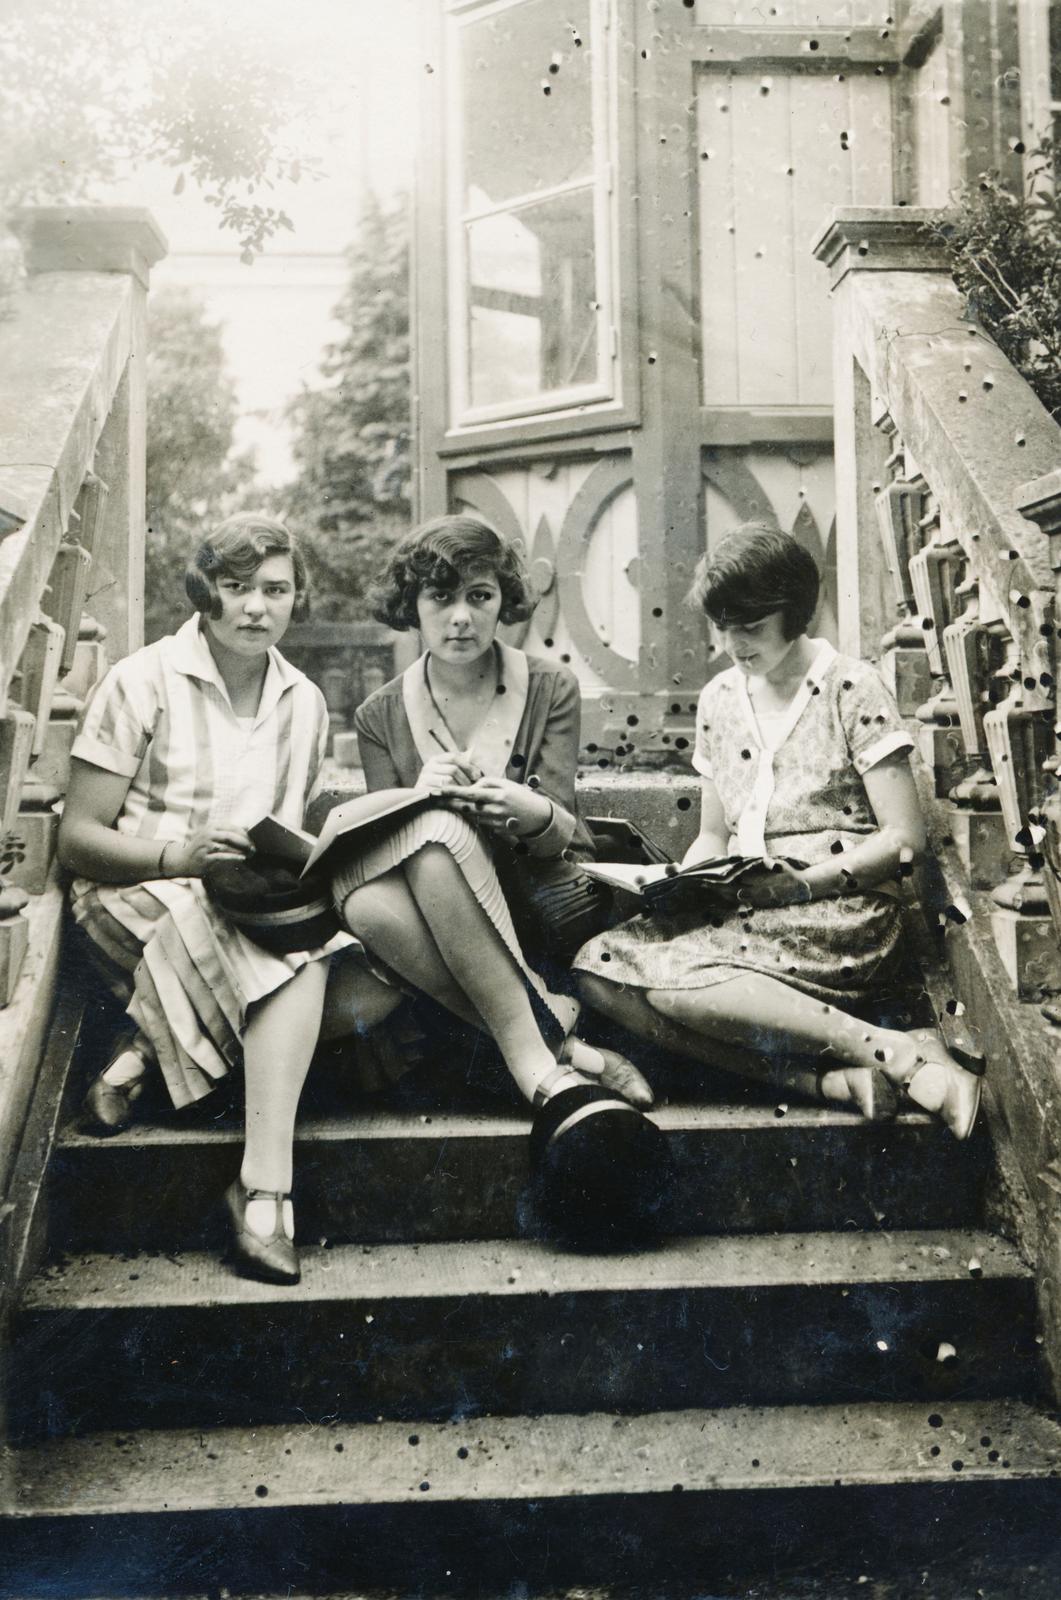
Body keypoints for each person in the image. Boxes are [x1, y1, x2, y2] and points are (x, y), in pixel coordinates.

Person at [58, 514, 400, 1285]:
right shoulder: (140, 680)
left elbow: (288, 836)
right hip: (133, 898)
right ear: (205, 592)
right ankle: (265, 1191)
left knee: (374, 983)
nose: (255, 606)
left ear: (295, 598)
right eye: (237, 588)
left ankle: (144, 1051)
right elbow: (77, 841)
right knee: (295, 965)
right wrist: (178, 855)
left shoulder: (306, 702)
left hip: (245, 918)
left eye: (274, 590)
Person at [573, 524, 982, 1139]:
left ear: (795, 611)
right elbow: (714, 834)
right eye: (722, 626)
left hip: (842, 910)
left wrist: (802, 886)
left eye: (751, 627)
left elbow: (904, 838)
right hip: (747, 906)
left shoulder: (851, 686)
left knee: (677, 990)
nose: (734, 643)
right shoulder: (718, 699)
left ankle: (892, 1050)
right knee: (597, 970)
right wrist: (687, 880)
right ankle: (825, 1080)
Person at [332, 513, 652, 1112]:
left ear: (503, 601)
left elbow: (568, 840)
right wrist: (415, 799)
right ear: (413, 603)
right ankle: (565, 1047)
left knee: (418, 869)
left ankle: (534, 1042)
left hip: (540, 900)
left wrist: (528, 810)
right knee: (369, 901)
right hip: (439, 914)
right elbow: (379, 857)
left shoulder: (550, 686)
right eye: (441, 597)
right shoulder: (380, 715)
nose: (461, 617)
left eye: (480, 597)